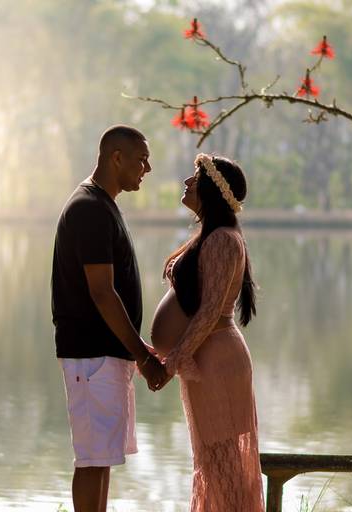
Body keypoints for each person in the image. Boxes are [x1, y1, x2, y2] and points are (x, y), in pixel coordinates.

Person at [51, 125, 170, 512]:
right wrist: (143, 356)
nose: (147, 168)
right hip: (91, 355)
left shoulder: (102, 205)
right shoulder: (88, 208)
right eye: (141, 159)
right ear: (115, 157)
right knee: (91, 460)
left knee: (101, 459)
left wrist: (136, 351)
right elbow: (102, 291)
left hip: (103, 357)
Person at [150, 153, 264, 511]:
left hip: (216, 362)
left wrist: (173, 362)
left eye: (195, 178)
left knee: (223, 464)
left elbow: (210, 311)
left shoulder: (222, 241)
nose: (187, 182)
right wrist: (168, 355)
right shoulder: (211, 236)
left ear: (213, 191)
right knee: (213, 463)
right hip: (205, 359)